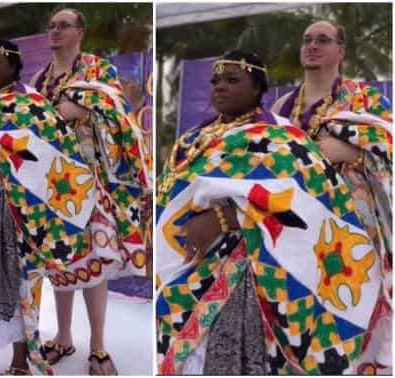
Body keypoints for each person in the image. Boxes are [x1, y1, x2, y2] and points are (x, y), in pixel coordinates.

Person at [156, 50, 386, 374]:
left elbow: (302, 204)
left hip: (247, 267)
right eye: (215, 81)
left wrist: (223, 219)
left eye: (232, 80)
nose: (220, 87)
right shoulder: (191, 139)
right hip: (184, 260)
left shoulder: (282, 138)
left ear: (257, 89)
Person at [0, 39, 103, 375]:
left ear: (15, 67)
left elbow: (50, 149)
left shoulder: (32, 104)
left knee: (19, 282)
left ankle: (20, 360)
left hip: (17, 208)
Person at [29, 8, 152, 375]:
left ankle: (98, 345)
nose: (55, 31)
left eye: (64, 25)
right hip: (52, 185)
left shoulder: (99, 70)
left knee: (93, 262)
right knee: (59, 261)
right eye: (51, 25)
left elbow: (120, 115)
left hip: (92, 181)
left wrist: (82, 110)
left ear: (80, 32)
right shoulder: (39, 78)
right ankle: (63, 336)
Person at [271, 20, 392, 374]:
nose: (312, 46)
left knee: (355, 307)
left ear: (341, 51)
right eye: (307, 40)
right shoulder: (282, 105)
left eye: (322, 40)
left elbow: (390, 147)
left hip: (353, 230)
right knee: (301, 313)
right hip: (296, 225)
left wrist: (351, 154)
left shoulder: (366, 99)